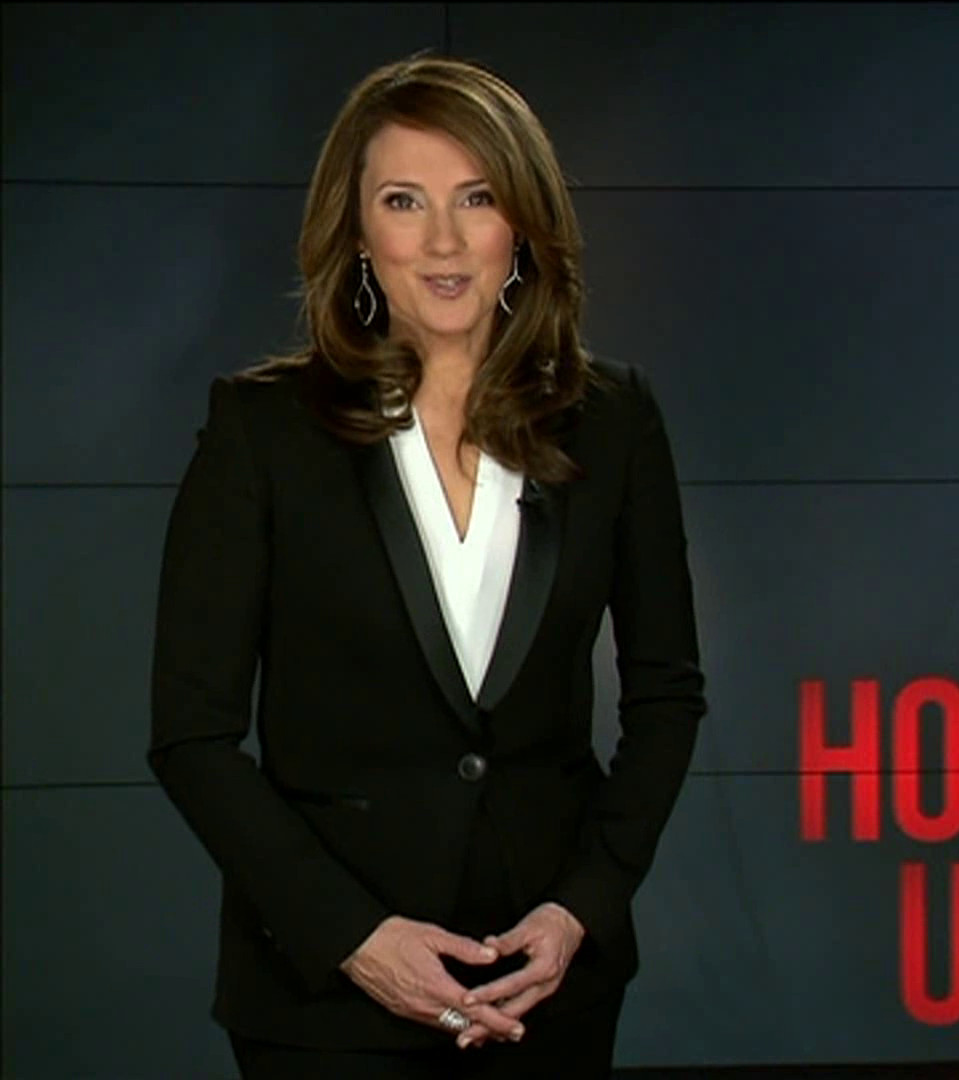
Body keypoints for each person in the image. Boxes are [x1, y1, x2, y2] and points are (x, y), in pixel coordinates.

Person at [147, 55, 705, 1077]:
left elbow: (667, 694)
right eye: (404, 201)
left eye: (476, 198)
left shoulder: (615, 418)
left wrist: (580, 909)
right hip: (324, 1001)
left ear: (521, 224)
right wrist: (354, 938)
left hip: (545, 987)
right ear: (358, 232)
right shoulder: (262, 430)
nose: (444, 241)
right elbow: (193, 735)